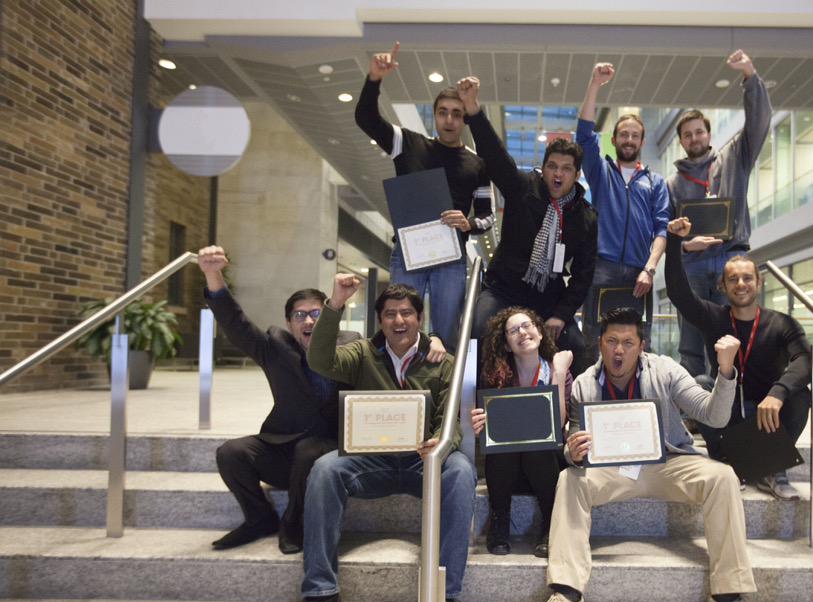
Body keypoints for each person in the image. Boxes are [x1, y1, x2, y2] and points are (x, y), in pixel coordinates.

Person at [520, 307, 789, 602]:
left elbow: (715, 416)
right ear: (600, 343)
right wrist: (571, 454)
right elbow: (574, 440)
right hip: (613, 469)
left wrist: (725, 370)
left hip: (667, 461)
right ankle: (567, 596)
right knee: (569, 480)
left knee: (722, 476)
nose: (619, 350)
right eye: (612, 341)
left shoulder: (665, 370)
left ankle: (728, 599)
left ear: (641, 346)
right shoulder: (585, 384)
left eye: (628, 343)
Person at [272, 277, 476, 602]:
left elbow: (452, 423)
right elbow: (319, 360)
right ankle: (321, 594)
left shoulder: (440, 361)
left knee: (461, 470)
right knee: (324, 469)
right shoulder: (362, 354)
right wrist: (334, 304)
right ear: (380, 320)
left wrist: (440, 445)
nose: (399, 321)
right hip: (372, 461)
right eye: (390, 314)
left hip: (421, 464)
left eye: (407, 313)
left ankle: (445, 595)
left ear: (419, 317)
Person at [197, 245, 360, 555]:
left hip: (331, 450)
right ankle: (259, 519)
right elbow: (236, 323)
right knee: (231, 453)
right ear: (289, 324)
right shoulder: (276, 348)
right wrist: (212, 274)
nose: (309, 321)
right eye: (300, 315)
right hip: (284, 447)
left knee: (308, 449)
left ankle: (294, 522)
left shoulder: (350, 345)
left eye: (316, 313)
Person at [455, 75, 597, 379]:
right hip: (503, 291)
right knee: (477, 335)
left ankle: (576, 418)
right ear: (543, 168)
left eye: (566, 169)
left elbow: (584, 275)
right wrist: (473, 109)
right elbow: (495, 157)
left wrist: (561, 315)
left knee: (578, 347)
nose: (558, 174)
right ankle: (476, 410)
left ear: (575, 175)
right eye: (552, 167)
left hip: (549, 300)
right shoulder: (523, 188)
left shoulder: (585, 217)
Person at [355, 41, 493, 351]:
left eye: (457, 114)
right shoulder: (407, 142)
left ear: (464, 119)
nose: (449, 119)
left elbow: (488, 217)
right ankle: (401, 391)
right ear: (434, 115)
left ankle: (444, 395)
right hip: (408, 252)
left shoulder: (477, 163)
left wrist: (468, 223)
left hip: (452, 258)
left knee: (447, 335)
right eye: (443, 112)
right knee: (398, 325)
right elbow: (366, 118)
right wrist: (374, 79)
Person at [665, 221, 810, 500]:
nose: (741, 284)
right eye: (733, 279)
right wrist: (674, 242)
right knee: (702, 384)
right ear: (723, 285)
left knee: (801, 395)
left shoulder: (781, 323)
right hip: (728, 414)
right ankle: (727, 463)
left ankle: (773, 467)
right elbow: (679, 294)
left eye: (747, 278)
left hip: (769, 416)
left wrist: (778, 393)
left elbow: (804, 359)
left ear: (759, 282)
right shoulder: (714, 317)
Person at [668, 49, 771, 379]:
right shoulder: (673, 183)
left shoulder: (734, 158)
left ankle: (730, 402)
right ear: (681, 141)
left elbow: (757, 123)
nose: (694, 138)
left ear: (708, 134)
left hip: (732, 260)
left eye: (699, 131)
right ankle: (692, 407)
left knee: (733, 337)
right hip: (694, 267)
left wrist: (749, 76)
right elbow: (667, 232)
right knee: (690, 342)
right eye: (687, 134)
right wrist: (685, 245)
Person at [576, 62, 670, 359]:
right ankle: (592, 404)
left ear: (642, 141)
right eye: (623, 135)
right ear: (614, 140)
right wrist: (594, 85)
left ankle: (638, 404)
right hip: (601, 268)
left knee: (639, 346)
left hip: (639, 275)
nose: (629, 140)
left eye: (635, 135)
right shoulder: (601, 172)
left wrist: (650, 268)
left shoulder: (655, 182)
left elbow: (662, 229)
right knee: (595, 341)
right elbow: (583, 134)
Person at [471, 307, 573, 558]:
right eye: (513, 330)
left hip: (545, 466)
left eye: (527, 326)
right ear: (506, 344)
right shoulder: (495, 375)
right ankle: (500, 520)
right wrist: (478, 424)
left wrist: (559, 374)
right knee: (504, 445)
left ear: (539, 333)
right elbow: (488, 429)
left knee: (538, 443)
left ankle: (550, 524)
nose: (523, 332)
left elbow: (557, 425)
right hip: (506, 469)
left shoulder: (557, 370)